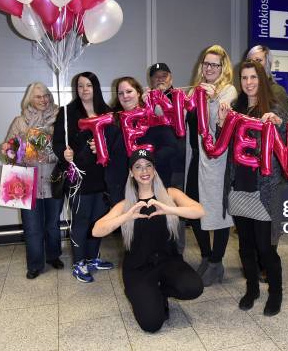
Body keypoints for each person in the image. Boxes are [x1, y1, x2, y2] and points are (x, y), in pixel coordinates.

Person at [92, 149, 204, 333]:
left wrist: (170, 210)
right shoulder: (125, 204)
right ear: (131, 172)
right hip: (139, 269)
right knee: (152, 324)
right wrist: (126, 217)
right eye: (138, 167)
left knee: (193, 287)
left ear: (154, 169)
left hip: (169, 262)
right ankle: (149, 295)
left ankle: (162, 291)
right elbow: (97, 230)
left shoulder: (170, 194)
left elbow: (199, 211)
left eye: (148, 166)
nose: (144, 171)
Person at [219, 59, 288, 316]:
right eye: (245, 78)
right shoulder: (236, 111)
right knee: (245, 246)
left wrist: (278, 124)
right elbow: (222, 147)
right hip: (240, 186)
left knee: (266, 248)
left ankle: (276, 293)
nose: (249, 83)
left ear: (261, 79)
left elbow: (287, 143)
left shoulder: (274, 108)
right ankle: (251, 289)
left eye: (253, 77)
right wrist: (220, 122)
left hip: (265, 189)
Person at [53, 72, 115, 283]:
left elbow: (115, 140)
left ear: (96, 87)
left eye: (89, 85)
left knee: (98, 218)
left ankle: (92, 258)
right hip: (79, 175)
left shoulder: (107, 112)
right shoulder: (68, 112)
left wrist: (102, 145)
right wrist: (64, 153)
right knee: (81, 220)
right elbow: (58, 142)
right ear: (76, 89)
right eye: (80, 86)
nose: (85, 90)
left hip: (102, 175)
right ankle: (79, 263)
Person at [185, 45, 238, 286]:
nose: (209, 68)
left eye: (214, 64)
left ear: (223, 67)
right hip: (196, 158)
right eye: (206, 63)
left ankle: (217, 262)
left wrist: (213, 97)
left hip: (217, 160)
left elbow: (222, 120)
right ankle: (206, 256)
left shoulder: (228, 90)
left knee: (218, 211)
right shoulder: (195, 90)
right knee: (194, 208)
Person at [5, 82, 64, 279]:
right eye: (39, 96)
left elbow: (67, 150)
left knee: (53, 224)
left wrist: (51, 155)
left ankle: (54, 256)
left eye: (46, 95)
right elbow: (9, 153)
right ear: (30, 98)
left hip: (53, 179)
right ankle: (35, 264)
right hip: (25, 181)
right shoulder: (19, 122)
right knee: (32, 227)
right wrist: (14, 153)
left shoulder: (60, 119)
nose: (44, 99)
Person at [106, 76, 178, 202]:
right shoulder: (112, 123)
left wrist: (147, 161)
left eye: (129, 91)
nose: (125, 96)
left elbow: (172, 147)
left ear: (138, 93)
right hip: (122, 190)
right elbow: (112, 158)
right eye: (121, 93)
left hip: (154, 186)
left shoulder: (153, 116)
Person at [147, 63, 187, 254]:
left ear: (171, 78)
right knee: (155, 210)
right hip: (153, 167)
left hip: (176, 164)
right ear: (151, 80)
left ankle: (176, 254)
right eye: (156, 76)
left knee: (175, 211)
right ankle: (157, 251)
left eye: (164, 75)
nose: (161, 79)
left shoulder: (181, 98)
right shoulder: (145, 100)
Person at [246, 45, 288, 110]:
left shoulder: (277, 92)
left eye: (258, 60)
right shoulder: (246, 90)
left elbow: (281, 119)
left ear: (268, 64)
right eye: (250, 61)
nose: (253, 64)